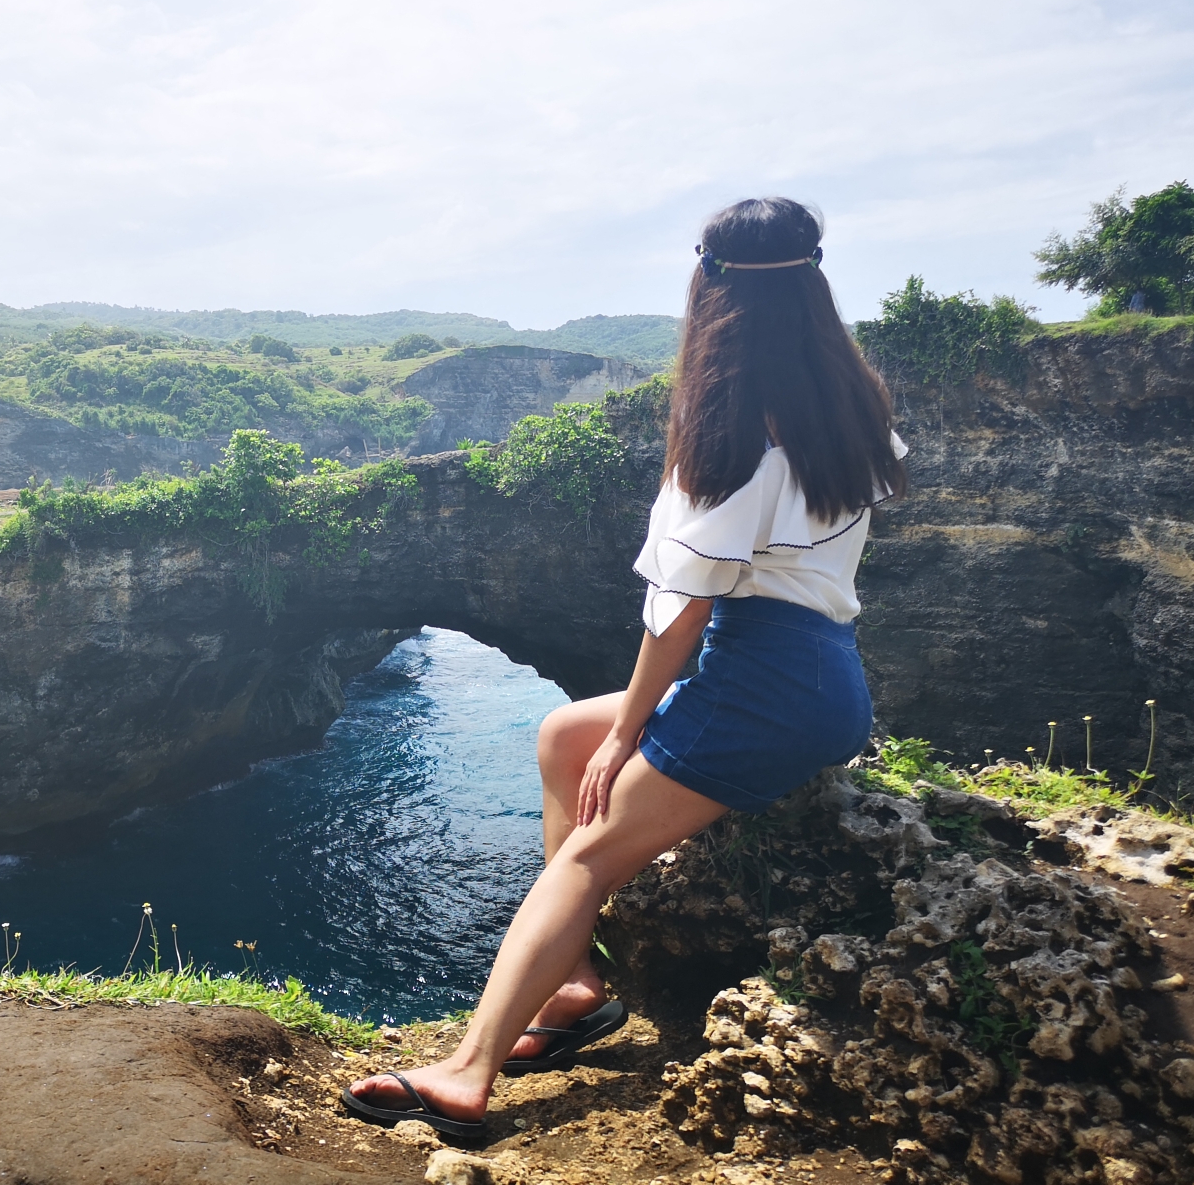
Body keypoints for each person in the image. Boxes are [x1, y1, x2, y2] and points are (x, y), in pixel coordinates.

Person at [340, 196, 909, 1139]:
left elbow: (680, 613)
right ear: (814, 282)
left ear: (708, 287)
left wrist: (633, 728)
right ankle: (570, 986)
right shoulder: (849, 404)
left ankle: (468, 1071)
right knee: (562, 735)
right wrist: (605, 733)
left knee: (584, 858)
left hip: (759, 688)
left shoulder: (734, 433)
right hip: (824, 675)